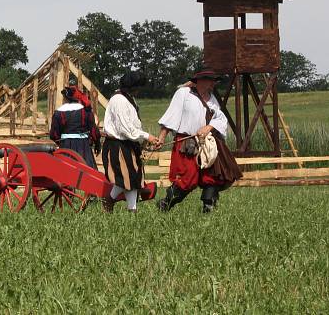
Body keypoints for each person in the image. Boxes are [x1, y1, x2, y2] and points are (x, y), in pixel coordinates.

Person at [156, 69, 242, 213]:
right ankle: (166, 203)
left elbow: (220, 118)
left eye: (214, 80)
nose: (214, 83)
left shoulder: (212, 99)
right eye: (211, 80)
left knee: (212, 177)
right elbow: (171, 116)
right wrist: (162, 137)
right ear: (201, 81)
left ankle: (208, 208)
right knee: (187, 178)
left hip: (207, 144)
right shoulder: (183, 94)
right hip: (186, 142)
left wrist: (209, 127)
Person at [101, 71, 160, 213]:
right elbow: (125, 129)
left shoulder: (130, 99)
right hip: (118, 145)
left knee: (134, 178)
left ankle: (132, 209)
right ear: (130, 87)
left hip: (128, 144)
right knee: (126, 178)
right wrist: (147, 136)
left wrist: (144, 140)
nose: (139, 90)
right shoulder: (119, 100)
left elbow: (134, 126)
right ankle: (109, 200)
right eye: (137, 87)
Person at [49, 86, 101, 169]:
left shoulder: (58, 113)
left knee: (66, 172)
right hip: (83, 147)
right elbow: (94, 131)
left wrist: (62, 142)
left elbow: (54, 134)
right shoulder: (86, 111)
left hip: (66, 146)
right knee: (87, 172)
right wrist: (97, 144)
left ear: (66, 99)